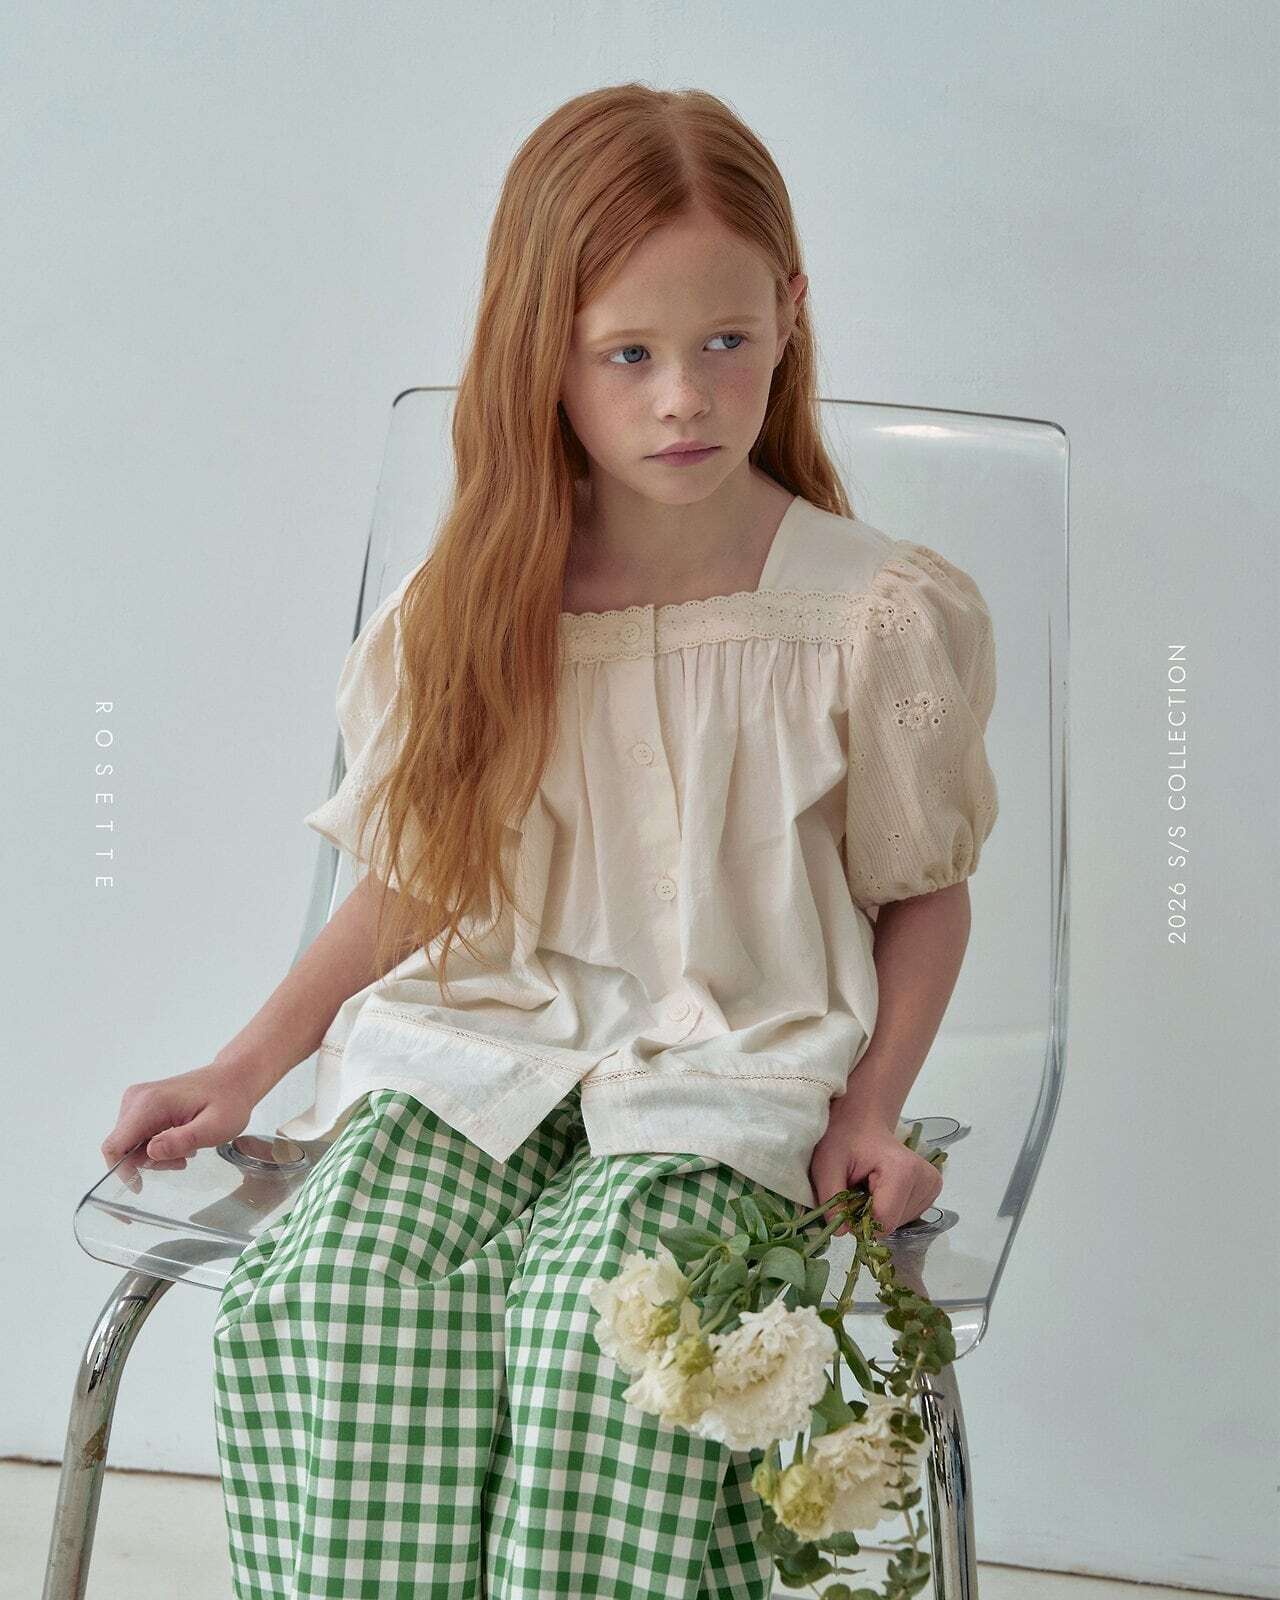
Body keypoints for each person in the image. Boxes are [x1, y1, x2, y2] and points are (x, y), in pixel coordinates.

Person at [100, 82, 999, 1600]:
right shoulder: (475, 601)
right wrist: (245, 1066)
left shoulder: (868, 615)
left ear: (791, 312)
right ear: (546, 354)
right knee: (337, 1289)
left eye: (725, 341)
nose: (683, 398)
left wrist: (873, 1108)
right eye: (626, 354)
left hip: (734, 1067)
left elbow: (926, 892)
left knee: (609, 1327)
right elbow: (419, 879)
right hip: (480, 1042)